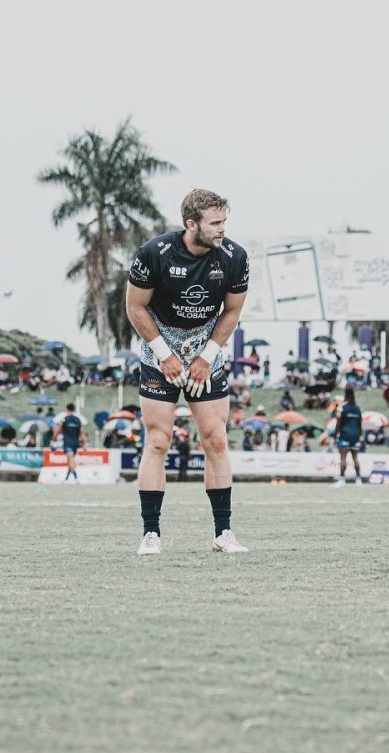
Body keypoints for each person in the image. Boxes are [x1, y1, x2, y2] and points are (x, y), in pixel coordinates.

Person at [125, 188, 250, 555]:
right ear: (191, 224)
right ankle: (151, 534)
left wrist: (206, 356)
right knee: (159, 439)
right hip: (159, 349)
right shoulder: (155, 253)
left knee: (215, 438)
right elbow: (135, 307)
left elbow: (232, 312)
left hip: (205, 351)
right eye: (215, 223)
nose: (222, 229)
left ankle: (223, 534)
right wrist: (164, 354)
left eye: (224, 221)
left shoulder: (234, 257)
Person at [331, 387, 365, 486]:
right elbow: (360, 423)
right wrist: (360, 436)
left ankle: (342, 480)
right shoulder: (358, 408)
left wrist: (335, 436)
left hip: (345, 435)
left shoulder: (342, 407)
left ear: (345, 395)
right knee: (355, 458)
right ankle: (358, 480)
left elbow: (338, 423)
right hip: (355, 436)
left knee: (343, 458)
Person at [55, 402, 84, 482]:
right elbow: (82, 433)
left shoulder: (64, 419)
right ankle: (67, 478)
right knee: (70, 460)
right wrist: (84, 444)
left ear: (67, 409)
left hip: (67, 443)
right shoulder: (78, 420)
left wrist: (54, 438)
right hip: (75, 443)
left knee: (70, 460)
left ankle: (76, 477)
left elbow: (58, 430)